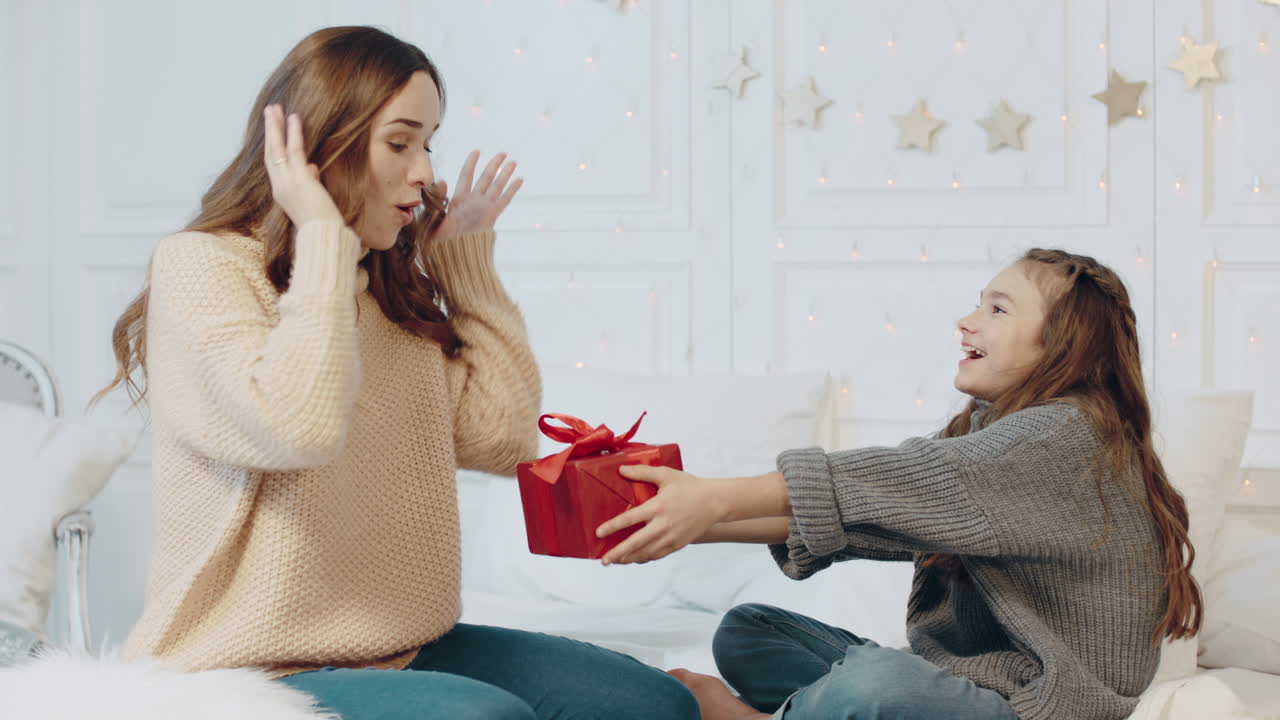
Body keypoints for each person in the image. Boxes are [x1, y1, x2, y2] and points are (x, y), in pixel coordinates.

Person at [96, 25, 697, 720]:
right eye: (400, 142)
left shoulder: (383, 289)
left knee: (653, 704)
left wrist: (465, 270)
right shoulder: (203, 267)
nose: (425, 173)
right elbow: (299, 426)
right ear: (323, 146)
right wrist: (322, 234)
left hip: (401, 644)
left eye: (429, 143)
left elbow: (501, 440)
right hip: (242, 662)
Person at [598, 248, 1201, 720]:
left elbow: (901, 477)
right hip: (968, 682)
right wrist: (689, 527)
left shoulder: (1069, 433)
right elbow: (869, 518)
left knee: (871, 683)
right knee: (751, 630)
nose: (967, 321)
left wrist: (715, 496)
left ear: (1064, 340)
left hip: (1037, 705)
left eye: (997, 308)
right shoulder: (996, 432)